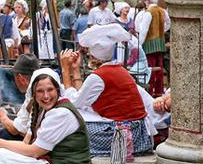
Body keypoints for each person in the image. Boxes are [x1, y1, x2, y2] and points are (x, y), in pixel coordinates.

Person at [59, 24, 154, 156]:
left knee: (69, 123)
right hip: (139, 133)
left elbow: (74, 103)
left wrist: (65, 70)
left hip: (124, 134)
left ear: (93, 55)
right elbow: (83, 98)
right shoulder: (120, 70)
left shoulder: (99, 77)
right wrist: (75, 70)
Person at [137, 0, 170, 97]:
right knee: (159, 67)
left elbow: (144, 30)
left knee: (150, 68)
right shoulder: (162, 11)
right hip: (160, 42)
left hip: (149, 43)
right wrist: (161, 31)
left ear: (149, 0)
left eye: (145, 0)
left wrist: (139, 44)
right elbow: (168, 24)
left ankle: (150, 91)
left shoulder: (148, 12)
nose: (145, 2)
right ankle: (159, 91)